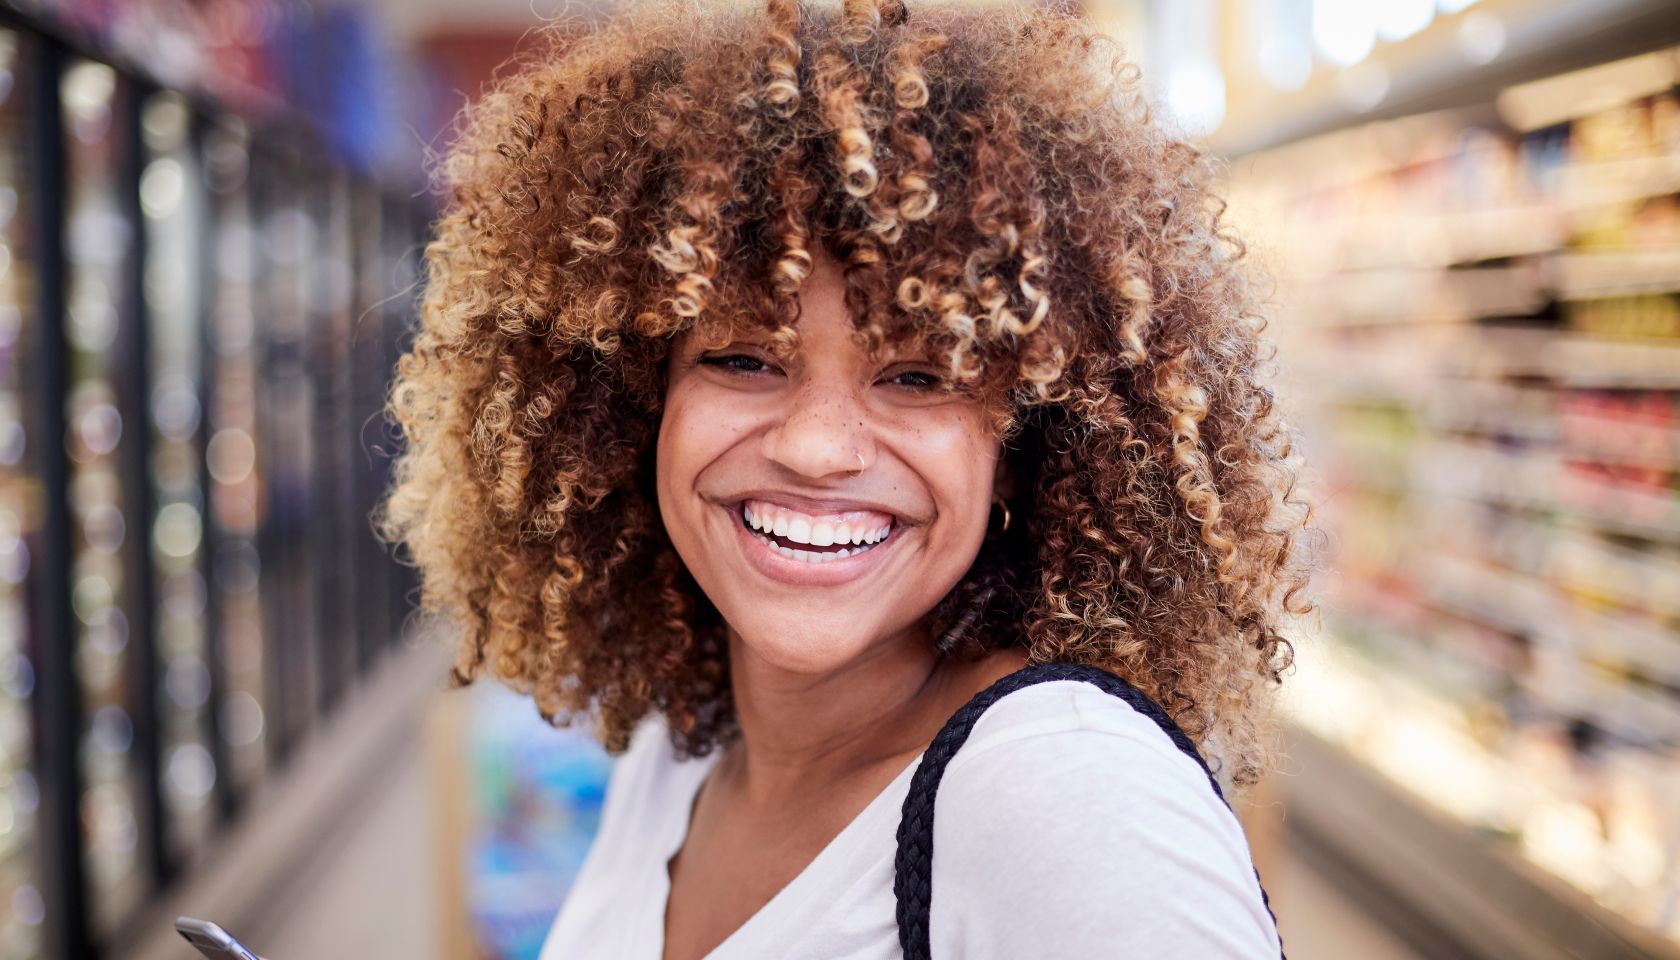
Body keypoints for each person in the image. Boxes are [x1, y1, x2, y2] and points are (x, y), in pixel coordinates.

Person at [375, 0, 1320, 956]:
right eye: (744, 359)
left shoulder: (1069, 794)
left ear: (1024, 449)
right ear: (631, 407)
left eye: (918, 377)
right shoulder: (683, 747)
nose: (818, 448)